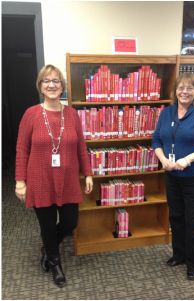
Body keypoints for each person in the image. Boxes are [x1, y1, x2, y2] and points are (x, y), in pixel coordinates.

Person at [15, 64, 93, 288]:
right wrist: (20, 182)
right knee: (47, 225)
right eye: (46, 81)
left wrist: (87, 173)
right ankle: (54, 261)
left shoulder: (71, 114)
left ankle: (47, 247)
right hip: (40, 179)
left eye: (55, 81)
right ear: (40, 86)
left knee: (70, 223)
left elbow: (80, 146)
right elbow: (22, 149)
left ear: (62, 87)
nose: (51, 85)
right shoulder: (31, 114)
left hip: (68, 178)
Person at [152, 73, 194, 280]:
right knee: (176, 217)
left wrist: (189, 159)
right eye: (181, 88)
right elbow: (156, 140)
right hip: (172, 176)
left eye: (189, 88)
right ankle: (179, 255)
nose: (184, 92)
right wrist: (162, 159)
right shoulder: (167, 112)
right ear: (175, 91)